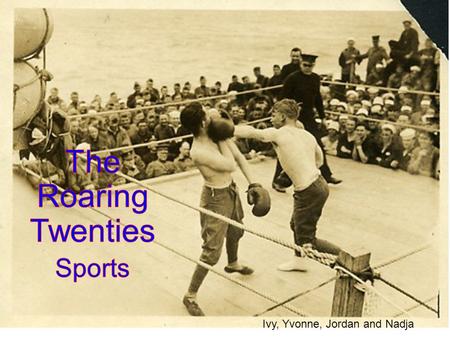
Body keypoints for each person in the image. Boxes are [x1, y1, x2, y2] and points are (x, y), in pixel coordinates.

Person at [179, 102, 270, 316]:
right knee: (211, 252)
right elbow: (230, 165)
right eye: (206, 114)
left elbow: (238, 157)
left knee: (237, 230)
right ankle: (190, 295)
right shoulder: (199, 151)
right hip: (214, 199)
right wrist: (222, 136)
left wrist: (253, 183)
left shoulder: (213, 133)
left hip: (230, 189)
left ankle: (233, 263)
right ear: (202, 122)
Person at [234, 99, 341, 272]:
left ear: (283, 116)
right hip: (318, 183)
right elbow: (320, 161)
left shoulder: (279, 133)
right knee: (295, 225)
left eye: (274, 114)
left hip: (308, 190)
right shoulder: (307, 135)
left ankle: (350, 262)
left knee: (308, 240)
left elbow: (253, 132)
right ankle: (299, 261)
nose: (270, 118)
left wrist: (225, 129)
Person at [280, 53, 342, 187]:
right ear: (301, 64)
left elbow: (317, 99)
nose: (308, 68)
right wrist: (286, 118)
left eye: (310, 66)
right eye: (305, 65)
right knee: (288, 147)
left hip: (309, 117)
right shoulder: (292, 78)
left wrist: (323, 116)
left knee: (317, 145)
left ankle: (327, 175)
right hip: (293, 118)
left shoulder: (315, 78)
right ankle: (278, 180)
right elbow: (283, 99)